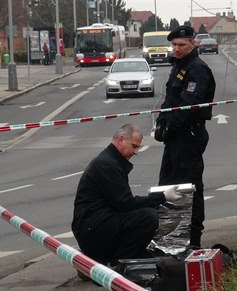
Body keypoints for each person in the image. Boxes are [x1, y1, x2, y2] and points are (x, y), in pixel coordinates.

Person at [72, 124, 182, 269]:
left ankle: (121, 257)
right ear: (121, 140)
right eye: (134, 146)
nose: (136, 152)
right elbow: (125, 203)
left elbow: (122, 203)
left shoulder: (111, 161)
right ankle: (118, 264)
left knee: (146, 245)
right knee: (148, 217)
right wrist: (161, 197)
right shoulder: (108, 165)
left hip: (94, 225)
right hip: (92, 229)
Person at [155, 25, 216, 248]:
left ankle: (193, 240)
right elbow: (169, 101)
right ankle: (171, 239)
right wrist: (161, 124)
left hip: (188, 135)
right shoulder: (179, 67)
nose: (177, 48)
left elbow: (188, 105)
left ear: (193, 43)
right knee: (168, 187)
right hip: (174, 138)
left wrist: (169, 127)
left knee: (189, 187)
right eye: (174, 45)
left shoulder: (197, 69)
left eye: (181, 45)